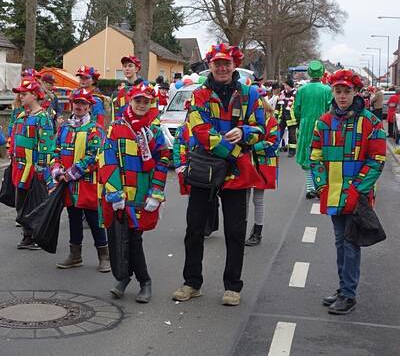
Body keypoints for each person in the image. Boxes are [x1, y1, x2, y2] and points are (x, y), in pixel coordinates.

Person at [172, 43, 265, 306]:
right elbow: (199, 130)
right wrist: (234, 152)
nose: (222, 68)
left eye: (227, 63)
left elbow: (262, 128)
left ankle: (233, 286)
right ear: (210, 66)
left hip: (236, 175)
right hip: (205, 168)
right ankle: (192, 282)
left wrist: (245, 133)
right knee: (194, 229)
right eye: (217, 63)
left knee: (235, 231)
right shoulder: (199, 95)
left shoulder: (250, 94)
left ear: (234, 64)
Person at [310, 69, 386, 315]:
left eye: (347, 91)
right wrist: (321, 184)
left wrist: (358, 189)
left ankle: (349, 294)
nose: (342, 96)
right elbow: (316, 156)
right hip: (333, 193)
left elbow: (377, 160)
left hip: (357, 195)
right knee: (340, 242)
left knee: (350, 243)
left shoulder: (371, 122)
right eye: (338, 91)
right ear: (333, 92)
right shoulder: (323, 122)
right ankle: (343, 288)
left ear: (355, 92)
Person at [99, 82, 169, 304]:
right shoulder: (116, 127)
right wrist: (114, 191)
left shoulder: (155, 131)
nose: (141, 104)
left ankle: (143, 281)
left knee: (134, 238)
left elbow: (163, 160)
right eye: (137, 100)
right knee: (119, 236)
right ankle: (125, 278)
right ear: (130, 101)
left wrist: (156, 191)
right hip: (118, 193)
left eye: (145, 101)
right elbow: (106, 159)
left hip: (140, 194)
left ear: (151, 104)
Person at [51, 89, 109, 272]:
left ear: (89, 106)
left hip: (88, 184)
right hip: (68, 184)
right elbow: (56, 151)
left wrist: (69, 174)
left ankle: (104, 256)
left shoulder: (95, 130)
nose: (79, 106)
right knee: (73, 219)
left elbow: (94, 157)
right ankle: (75, 255)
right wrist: (57, 170)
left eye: (84, 103)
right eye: (77, 102)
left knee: (94, 220)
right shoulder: (64, 128)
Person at [9, 78, 56, 249]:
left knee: (34, 203)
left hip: (32, 168)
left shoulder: (42, 117)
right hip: (19, 167)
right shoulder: (22, 115)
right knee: (20, 203)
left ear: (35, 95)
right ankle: (27, 234)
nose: (21, 97)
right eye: (20, 94)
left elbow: (46, 145)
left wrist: (42, 168)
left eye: (24, 93)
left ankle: (33, 236)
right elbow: (14, 136)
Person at [293, 60, 333, 199]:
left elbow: (296, 110)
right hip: (323, 126)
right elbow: (331, 109)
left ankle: (311, 187)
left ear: (309, 73)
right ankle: (320, 186)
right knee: (322, 155)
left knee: (308, 155)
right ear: (322, 73)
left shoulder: (302, 90)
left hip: (306, 125)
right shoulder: (327, 90)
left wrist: (301, 120)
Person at [245, 92, 279, 246]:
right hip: (246, 165)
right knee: (242, 200)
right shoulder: (247, 120)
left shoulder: (271, 121)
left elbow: (273, 143)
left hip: (263, 166)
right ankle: (240, 230)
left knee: (258, 200)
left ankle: (257, 232)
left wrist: (252, 147)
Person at [111, 55, 146, 120]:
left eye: (130, 66)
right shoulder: (121, 91)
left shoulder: (146, 87)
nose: (127, 68)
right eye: (124, 66)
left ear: (136, 69)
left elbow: (153, 110)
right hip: (125, 127)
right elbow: (117, 113)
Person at [276, 79, 298, 156]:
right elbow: (277, 105)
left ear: (289, 85)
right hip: (282, 118)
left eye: (285, 85)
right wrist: (276, 116)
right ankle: (275, 149)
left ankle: (292, 151)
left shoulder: (296, 94)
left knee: (292, 135)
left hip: (291, 118)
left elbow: (298, 106)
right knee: (278, 133)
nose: (284, 86)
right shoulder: (282, 93)